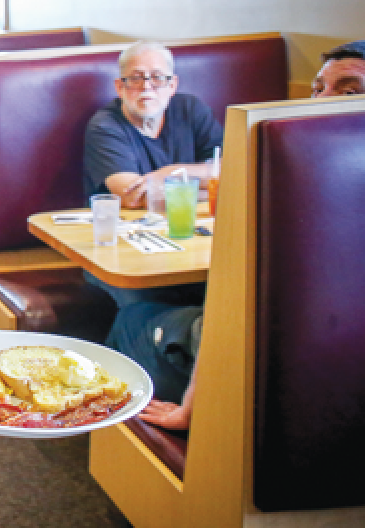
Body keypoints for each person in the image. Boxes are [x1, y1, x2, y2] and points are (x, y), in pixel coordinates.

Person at [140, 38, 365, 431]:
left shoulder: (300, 189)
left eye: (348, 92)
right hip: (321, 366)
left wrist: (191, 412)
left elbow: (232, 304)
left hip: (283, 371)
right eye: (317, 89)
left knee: (135, 317)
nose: (321, 102)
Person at [82, 40, 221, 307]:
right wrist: (208, 184)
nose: (147, 87)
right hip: (119, 254)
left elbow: (233, 171)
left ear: (172, 85)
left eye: (157, 78)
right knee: (153, 301)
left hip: (187, 246)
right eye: (135, 79)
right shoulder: (105, 126)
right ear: (120, 87)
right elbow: (134, 197)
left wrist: (171, 173)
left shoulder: (192, 110)